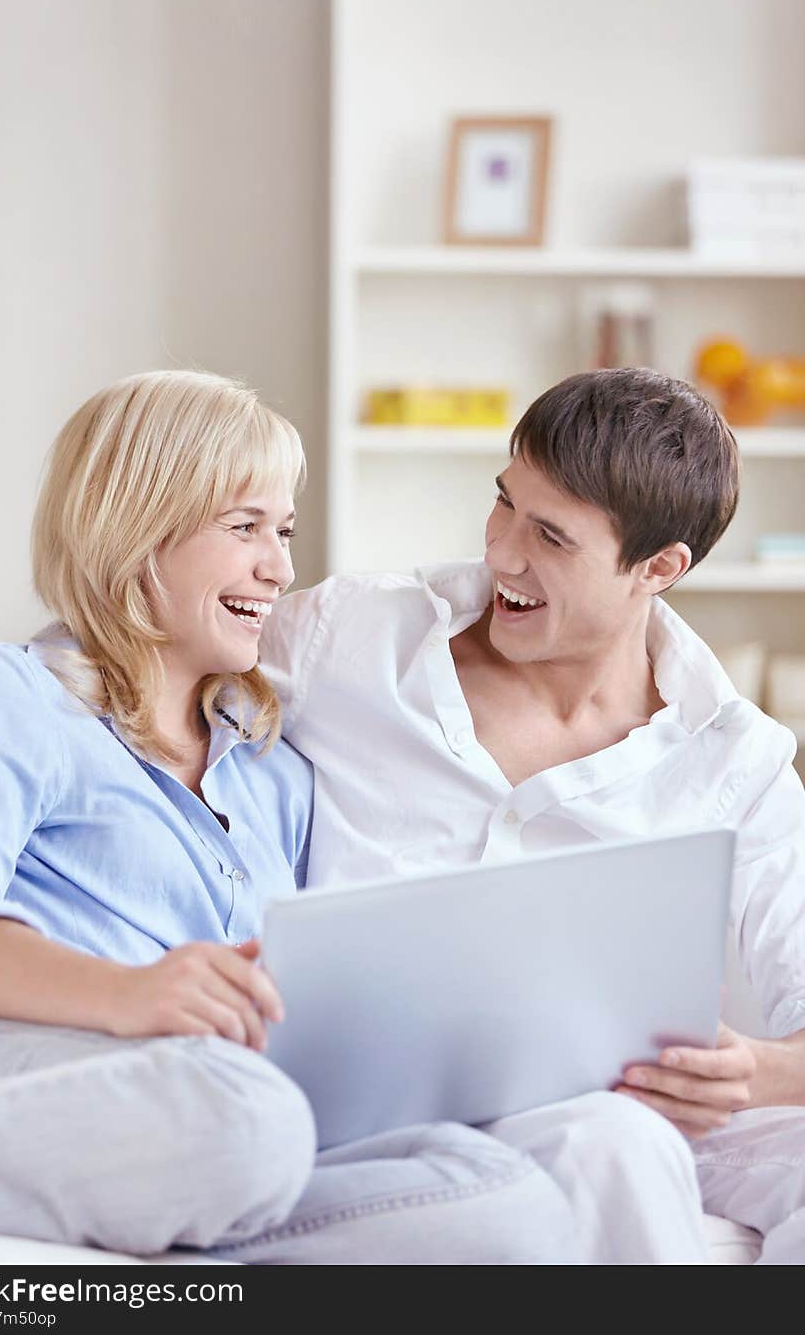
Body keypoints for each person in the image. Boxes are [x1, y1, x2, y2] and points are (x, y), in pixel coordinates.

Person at [0, 369, 581, 1265]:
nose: (280, 567)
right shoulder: (10, 695)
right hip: (30, 1070)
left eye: (283, 530)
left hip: (217, 1118)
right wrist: (131, 997)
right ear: (137, 530)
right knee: (245, 1118)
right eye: (244, 528)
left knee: (505, 1196)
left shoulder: (274, 768)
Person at [260, 367, 805, 1265]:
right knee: (612, 1147)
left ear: (660, 570)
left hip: (628, 1105)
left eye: (552, 536)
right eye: (504, 503)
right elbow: (137, 653)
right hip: (383, 1109)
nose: (503, 552)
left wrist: (748, 1072)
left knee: (637, 1136)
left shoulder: (734, 758)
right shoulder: (352, 639)